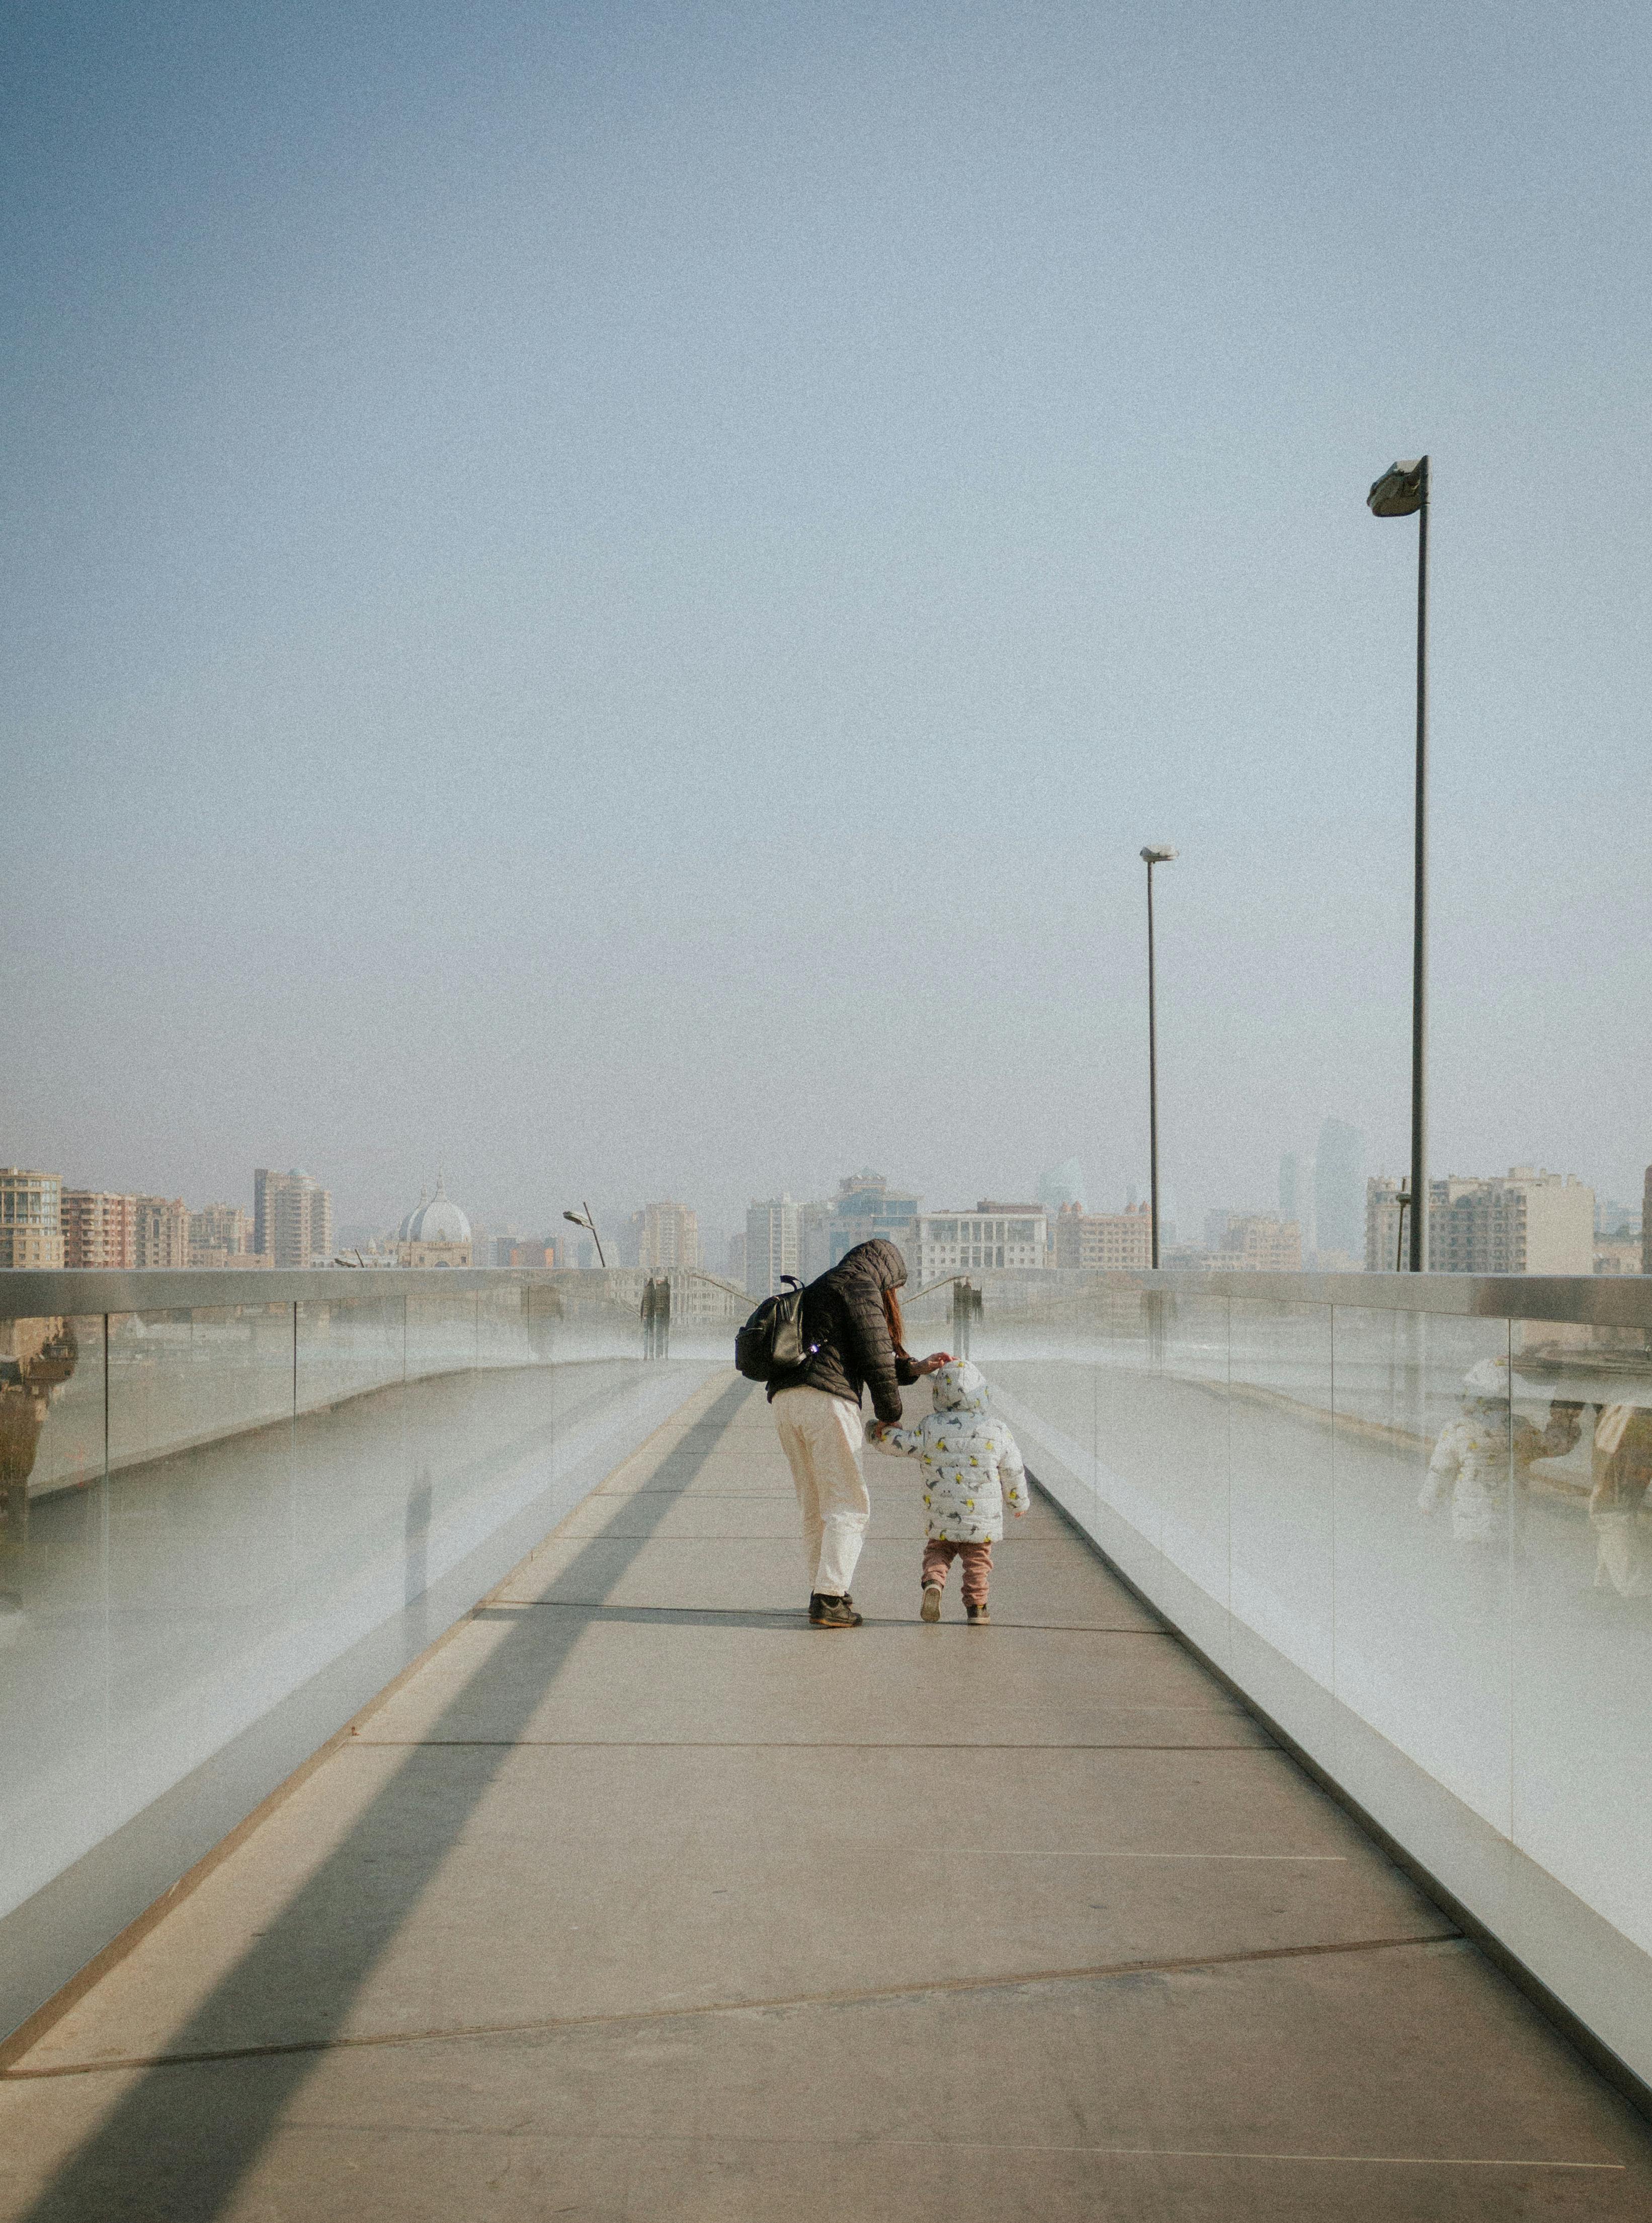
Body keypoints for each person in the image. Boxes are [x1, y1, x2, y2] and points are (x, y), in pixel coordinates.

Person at [767, 1237, 948, 1628]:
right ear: (888, 1273)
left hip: (786, 1401)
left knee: (816, 1506)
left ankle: (824, 1591)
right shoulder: (862, 1287)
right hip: (828, 1402)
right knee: (850, 1505)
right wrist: (890, 1415)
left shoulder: (824, 1284)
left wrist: (916, 1368)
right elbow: (877, 1361)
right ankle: (830, 1598)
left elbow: (862, 1350)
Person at [866, 1358, 1027, 1623]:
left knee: (938, 1551)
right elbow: (1012, 1470)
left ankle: (934, 1583)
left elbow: (900, 1444)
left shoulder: (931, 1427)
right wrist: (1018, 1503)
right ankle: (977, 1608)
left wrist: (876, 1431)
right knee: (977, 1564)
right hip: (980, 1520)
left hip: (942, 1514)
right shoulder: (997, 1430)